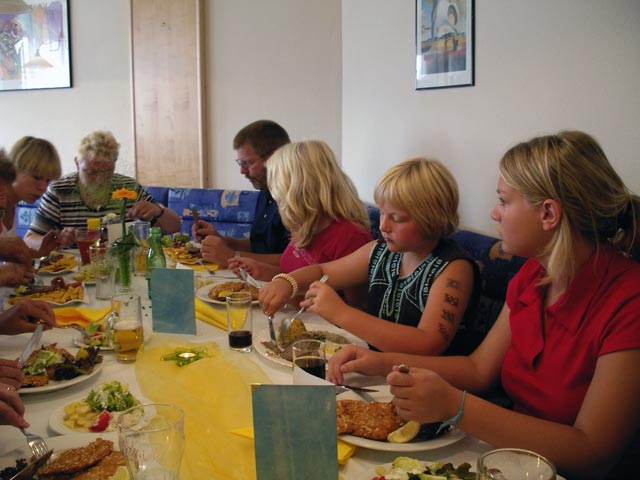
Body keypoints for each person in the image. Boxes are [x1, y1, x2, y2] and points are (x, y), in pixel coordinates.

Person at [327, 131, 640, 479]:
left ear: (549, 213)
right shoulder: (534, 274)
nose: (494, 213)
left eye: (504, 201)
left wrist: (457, 408)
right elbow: (478, 370)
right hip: (507, 461)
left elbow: (593, 452)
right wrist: (378, 362)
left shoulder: (629, 300)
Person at [258, 157, 477, 355]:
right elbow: (324, 271)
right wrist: (286, 282)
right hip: (369, 363)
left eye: (397, 218)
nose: (383, 225)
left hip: (423, 384)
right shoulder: (380, 250)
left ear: (432, 218)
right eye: (382, 213)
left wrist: (341, 313)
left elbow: (427, 344)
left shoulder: (454, 269)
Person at [232, 141, 373, 307]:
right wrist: (265, 272)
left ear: (299, 191)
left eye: (278, 188)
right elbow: (298, 277)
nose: (276, 197)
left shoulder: (349, 236)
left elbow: (359, 311)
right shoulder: (305, 226)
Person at [24, 130, 181, 251]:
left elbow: (175, 226)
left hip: (121, 268)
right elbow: (30, 240)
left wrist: (157, 211)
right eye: (91, 172)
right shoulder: (60, 191)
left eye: (107, 172)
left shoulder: (127, 188)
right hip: (74, 274)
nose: (99, 180)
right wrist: (55, 240)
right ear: (77, 165)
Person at [194, 120, 291, 267]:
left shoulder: (297, 197)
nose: (242, 171)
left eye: (247, 163)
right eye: (240, 164)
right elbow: (260, 246)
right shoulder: (266, 189)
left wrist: (232, 256)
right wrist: (222, 241)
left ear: (273, 158)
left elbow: (297, 261)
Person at [1, 138, 61, 257]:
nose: (43, 187)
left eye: (48, 180)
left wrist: (39, 252)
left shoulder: (12, 205)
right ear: (15, 169)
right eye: (37, 177)